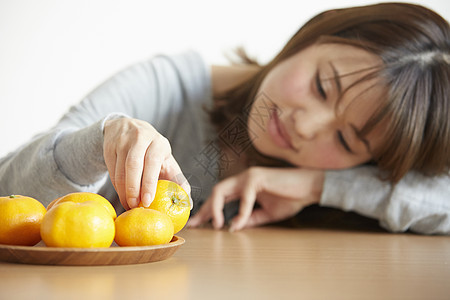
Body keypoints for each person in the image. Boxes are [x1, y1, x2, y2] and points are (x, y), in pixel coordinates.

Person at [0, 2, 449, 234]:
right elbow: (8, 194)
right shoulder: (164, 88)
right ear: (315, 33)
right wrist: (99, 142)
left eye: (348, 142)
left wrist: (319, 185)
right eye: (321, 86)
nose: (305, 126)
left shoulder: (338, 178)